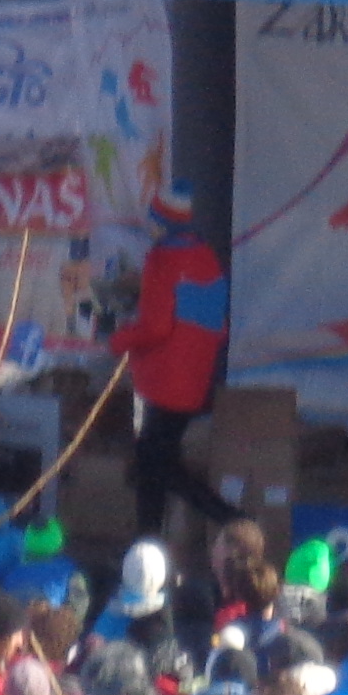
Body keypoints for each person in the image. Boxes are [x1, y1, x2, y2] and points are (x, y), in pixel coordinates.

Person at [114, 189, 235, 538]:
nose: (149, 225)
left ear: (163, 222)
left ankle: (233, 520)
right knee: (155, 463)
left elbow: (156, 327)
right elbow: (216, 323)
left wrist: (119, 339)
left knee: (156, 464)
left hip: (164, 379)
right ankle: (149, 539)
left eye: (153, 218)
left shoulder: (163, 260)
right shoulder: (205, 257)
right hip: (196, 377)